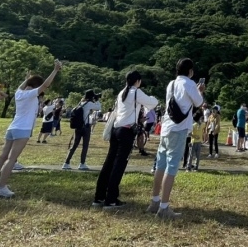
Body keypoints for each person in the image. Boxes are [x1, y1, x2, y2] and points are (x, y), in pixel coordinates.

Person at [0, 60, 62, 198]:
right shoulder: (30, 94)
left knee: (2, 157)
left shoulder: (18, 93)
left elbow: (25, 85)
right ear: (35, 87)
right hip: (23, 129)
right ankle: (0, 188)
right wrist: (55, 70)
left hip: (12, 128)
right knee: (12, 159)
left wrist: (26, 80)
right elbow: (45, 85)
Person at [147, 57, 205, 219]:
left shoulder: (171, 84)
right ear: (190, 71)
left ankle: (155, 201)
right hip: (179, 129)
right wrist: (200, 90)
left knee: (160, 164)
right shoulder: (189, 83)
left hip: (166, 127)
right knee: (172, 166)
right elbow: (199, 102)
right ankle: (164, 208)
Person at [94, 70, 158, 209]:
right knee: (119, 164)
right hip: (126, 131)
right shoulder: (136, 92)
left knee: (109, 163)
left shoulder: (121, 92)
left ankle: (99, 197)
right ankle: (111, 199)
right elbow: (153, 103)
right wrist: (152, 97)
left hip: (116, 129)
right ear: (138, 81)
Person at [63, 89, 101, 170]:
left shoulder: (81, 103)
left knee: (74, 145)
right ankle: (82, 163)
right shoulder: (89, 103)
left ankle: (66, 163)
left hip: (78, 127)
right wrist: (97, 100)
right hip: (86, 127)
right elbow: (98, 107)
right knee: (85, 146)